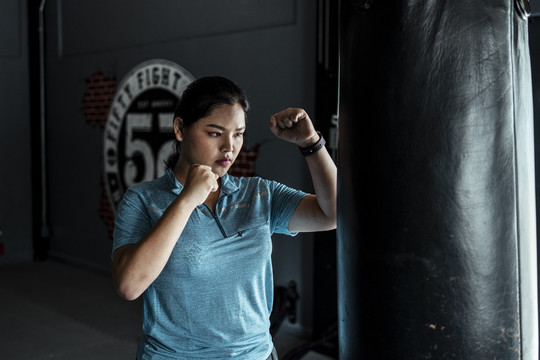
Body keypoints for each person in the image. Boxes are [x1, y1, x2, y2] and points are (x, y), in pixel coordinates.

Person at [112, 76, 337, 360]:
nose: (229, 147)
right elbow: (129, 285)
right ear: (180, 129)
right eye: (215, 133)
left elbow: (332, 214)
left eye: (238, 134)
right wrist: (186, 200)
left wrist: (311, 143)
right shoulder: (143, 200)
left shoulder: (259, 193)